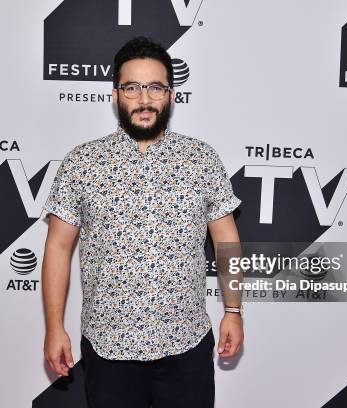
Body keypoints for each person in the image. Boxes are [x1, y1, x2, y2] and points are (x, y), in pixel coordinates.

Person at [41, 36, 243, 408]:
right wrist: (54, 328)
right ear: (115, 95)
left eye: (155, 87)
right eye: (132, 88)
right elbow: (57, 247)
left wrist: (233, 311)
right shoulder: (82, 163)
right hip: (109, 349)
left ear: (171, 95)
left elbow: (226, 239)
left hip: (187, 345)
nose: (144, 99)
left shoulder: (202, 159)